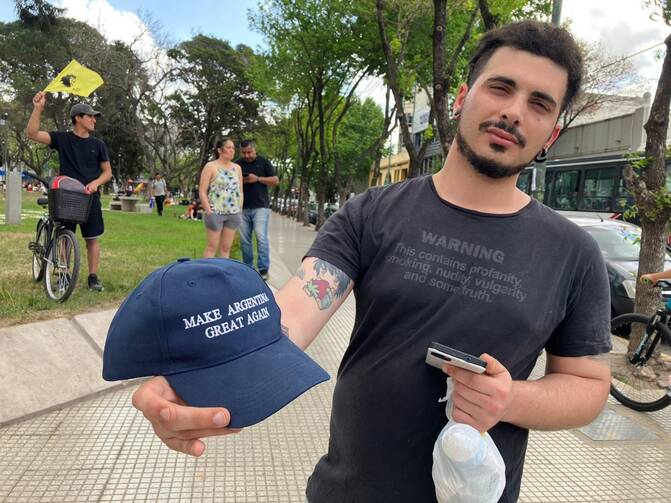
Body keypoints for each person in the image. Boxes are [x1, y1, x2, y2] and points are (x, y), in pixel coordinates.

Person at [131, 21, 612, 503]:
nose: (512, 112)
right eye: (501, 88)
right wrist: (196, 376)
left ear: (551, 134)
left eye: (539, 104)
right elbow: (291, 315)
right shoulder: (370, 213)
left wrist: (511, 399)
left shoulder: (574, 253)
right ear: (463, 96)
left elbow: (587, 387)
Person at [26, 92, 112, 291]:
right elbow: (32, 133)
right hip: (67, 196)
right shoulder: (62, 139)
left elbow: (107, 172)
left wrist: (95, 183)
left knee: (92, 238)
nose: (93, 120)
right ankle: (63, 273)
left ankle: (93, 277)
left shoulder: (98, 144)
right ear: (78, 119)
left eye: (94, 116)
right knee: (64, 236)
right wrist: (38, 109)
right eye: (90, 116)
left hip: (91, 198)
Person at [236, 140, 278, 280]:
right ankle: (248, 268)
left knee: (261, 237)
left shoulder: (264, 162)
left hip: (260, 207)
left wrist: (257, 179)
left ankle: (263, 269)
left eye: (249, 152)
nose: (247, 155)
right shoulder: (237, 164)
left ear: (255, 150)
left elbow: (275, 180)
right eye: (244, 153)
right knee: (245, 240)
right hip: (241, 207)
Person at [198, 138, 243, 258]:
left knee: (226, 249)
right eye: (229, 148)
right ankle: (207, 274)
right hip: (215, 213)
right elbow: (202, 191)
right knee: (212, 247)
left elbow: (240, 191)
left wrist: (239, 209)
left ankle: (223, 274)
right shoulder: (211, 166)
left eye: (233, 148)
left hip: (233, 213)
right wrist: (209, 211)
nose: (232, 150)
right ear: (219, 150)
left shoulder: (237, 168)